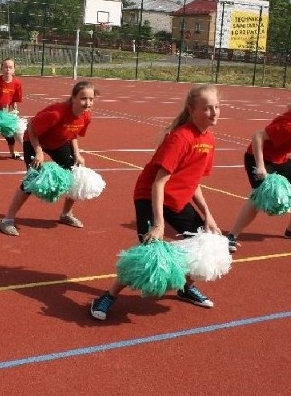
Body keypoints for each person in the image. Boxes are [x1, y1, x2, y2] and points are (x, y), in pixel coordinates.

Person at [91, 84, 222, 320]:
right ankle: (107, 296)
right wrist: (159, 224)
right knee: (147, 253)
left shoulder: (210, 139)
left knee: (204, 244)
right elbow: (158, 183)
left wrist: (208, 216)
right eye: (207, 108)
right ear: (192, 111)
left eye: (216, 107)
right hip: (150, 196)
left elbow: (194, 182)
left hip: (178, 199)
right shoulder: (181, 138)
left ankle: (186, 287)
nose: (214, 113)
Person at [226, 88, 291, 253]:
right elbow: (257, 136)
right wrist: (261, 166)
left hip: (279, 160)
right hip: (258, 158)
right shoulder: (289, 124)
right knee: (258, 196)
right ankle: (231, 237)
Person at [0, 80, 97, 237]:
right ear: (73, 97)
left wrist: (77, 154)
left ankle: (66, 215)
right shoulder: (57, 113)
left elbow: (73, 133)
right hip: (34, 140)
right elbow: (31, 127)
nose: (88, 103)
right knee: (32, 179)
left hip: (58, 143)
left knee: (76, 174)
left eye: (91, 99)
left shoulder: (86, 116)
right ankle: (7, 220)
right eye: (84, 98)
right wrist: (38, 151)